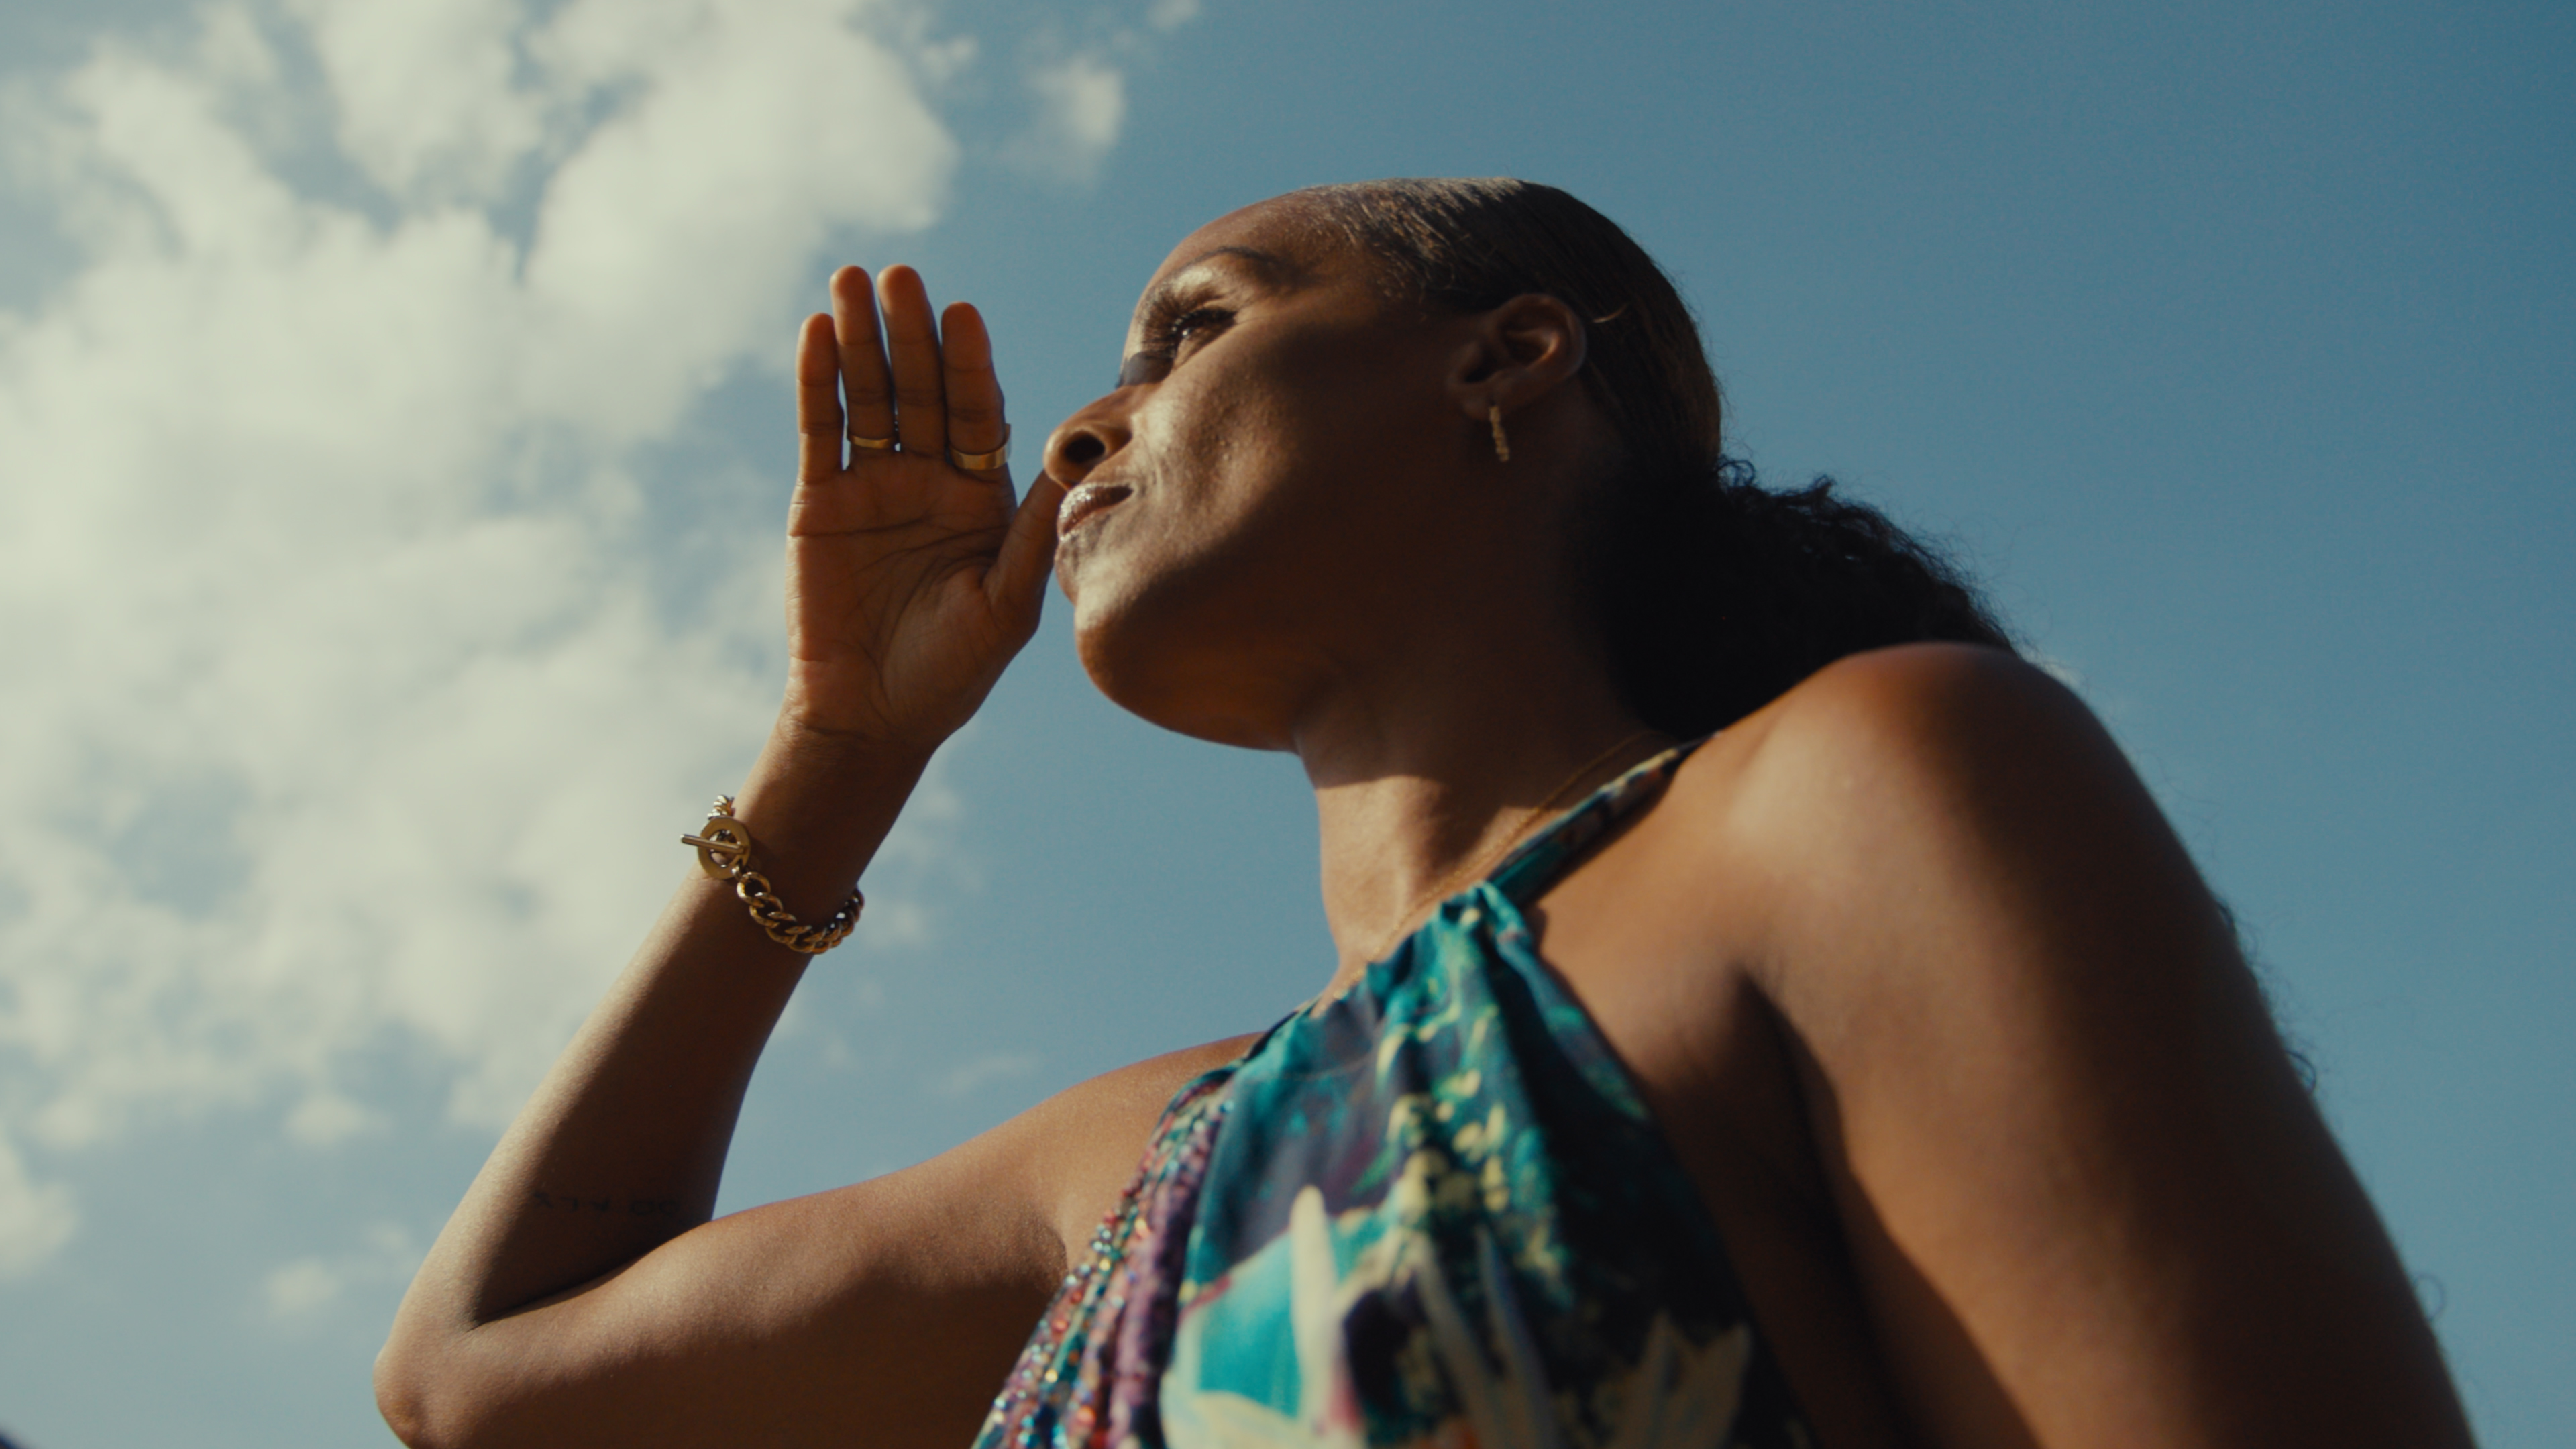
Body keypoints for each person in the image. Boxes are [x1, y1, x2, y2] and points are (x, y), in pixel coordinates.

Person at [374, 179, 2473, 1449]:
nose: (1091, 418)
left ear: (1513, 358)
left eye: (1192, 326)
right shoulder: (1136, 1154)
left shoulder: (1858, 800)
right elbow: (476, 1381)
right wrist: (845, 755)